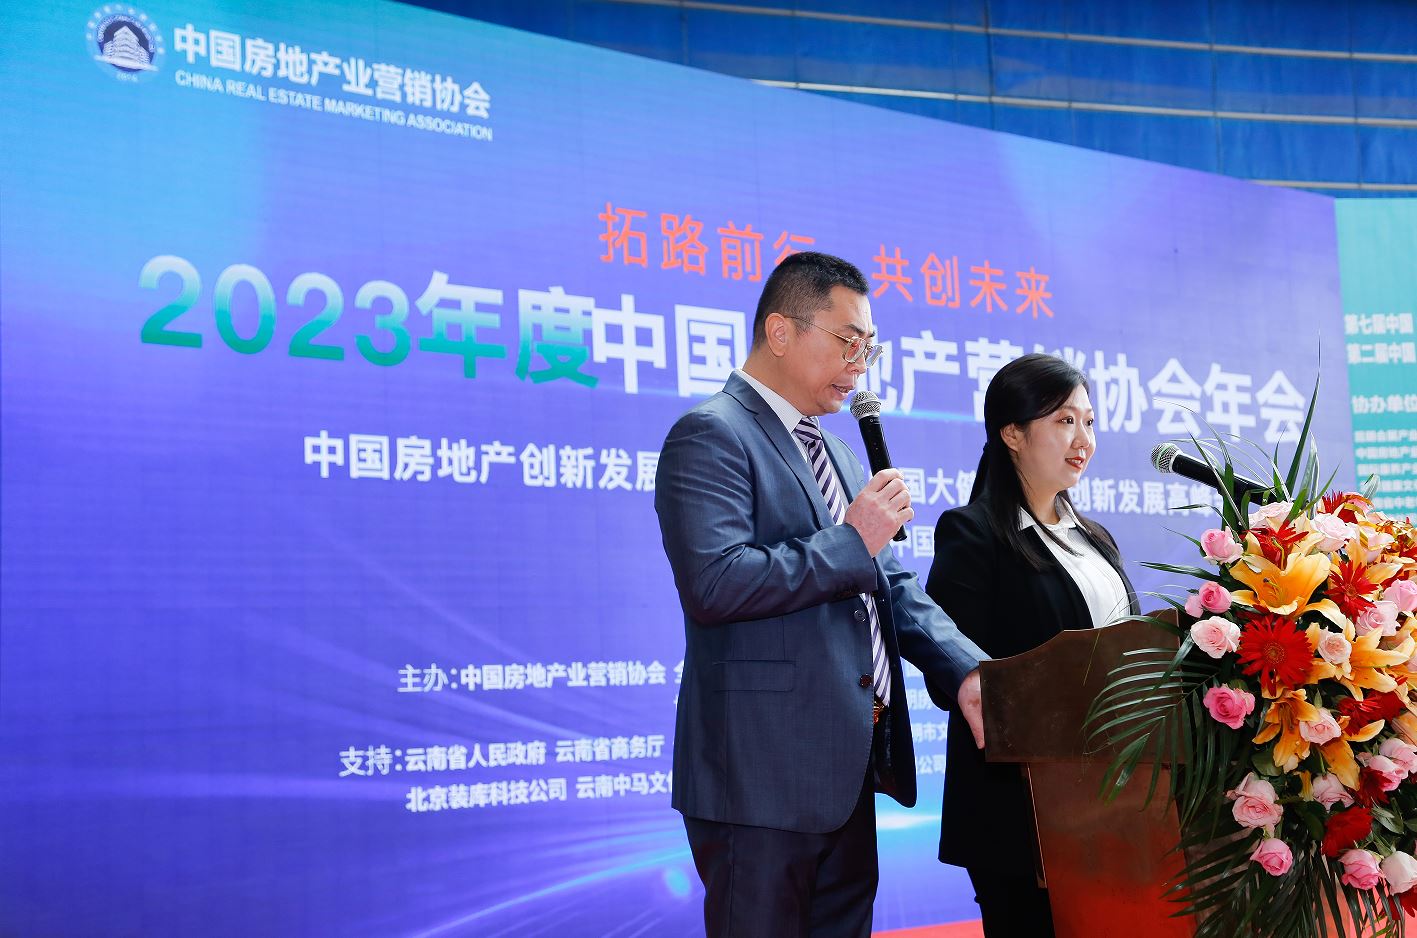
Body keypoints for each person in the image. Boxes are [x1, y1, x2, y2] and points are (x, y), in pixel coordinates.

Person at [654, 251, 989, 938]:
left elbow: (890, 582)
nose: (859, 364)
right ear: (780, 332)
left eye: (869, 347)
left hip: (844, 771)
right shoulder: (712, 433)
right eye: (847, 342)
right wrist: (852, 538)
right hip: (758, 779)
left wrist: (968, 672)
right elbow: (715, 583)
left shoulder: (834, 452)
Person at [924, 353, 1140, 937]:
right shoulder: (973, 533)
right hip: (1020, 810)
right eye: (1064, 421)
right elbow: (950, 677)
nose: (1084, 439)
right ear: (1012, 434)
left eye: (1089, 422)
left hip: (1114, 800)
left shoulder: (1095, 539)